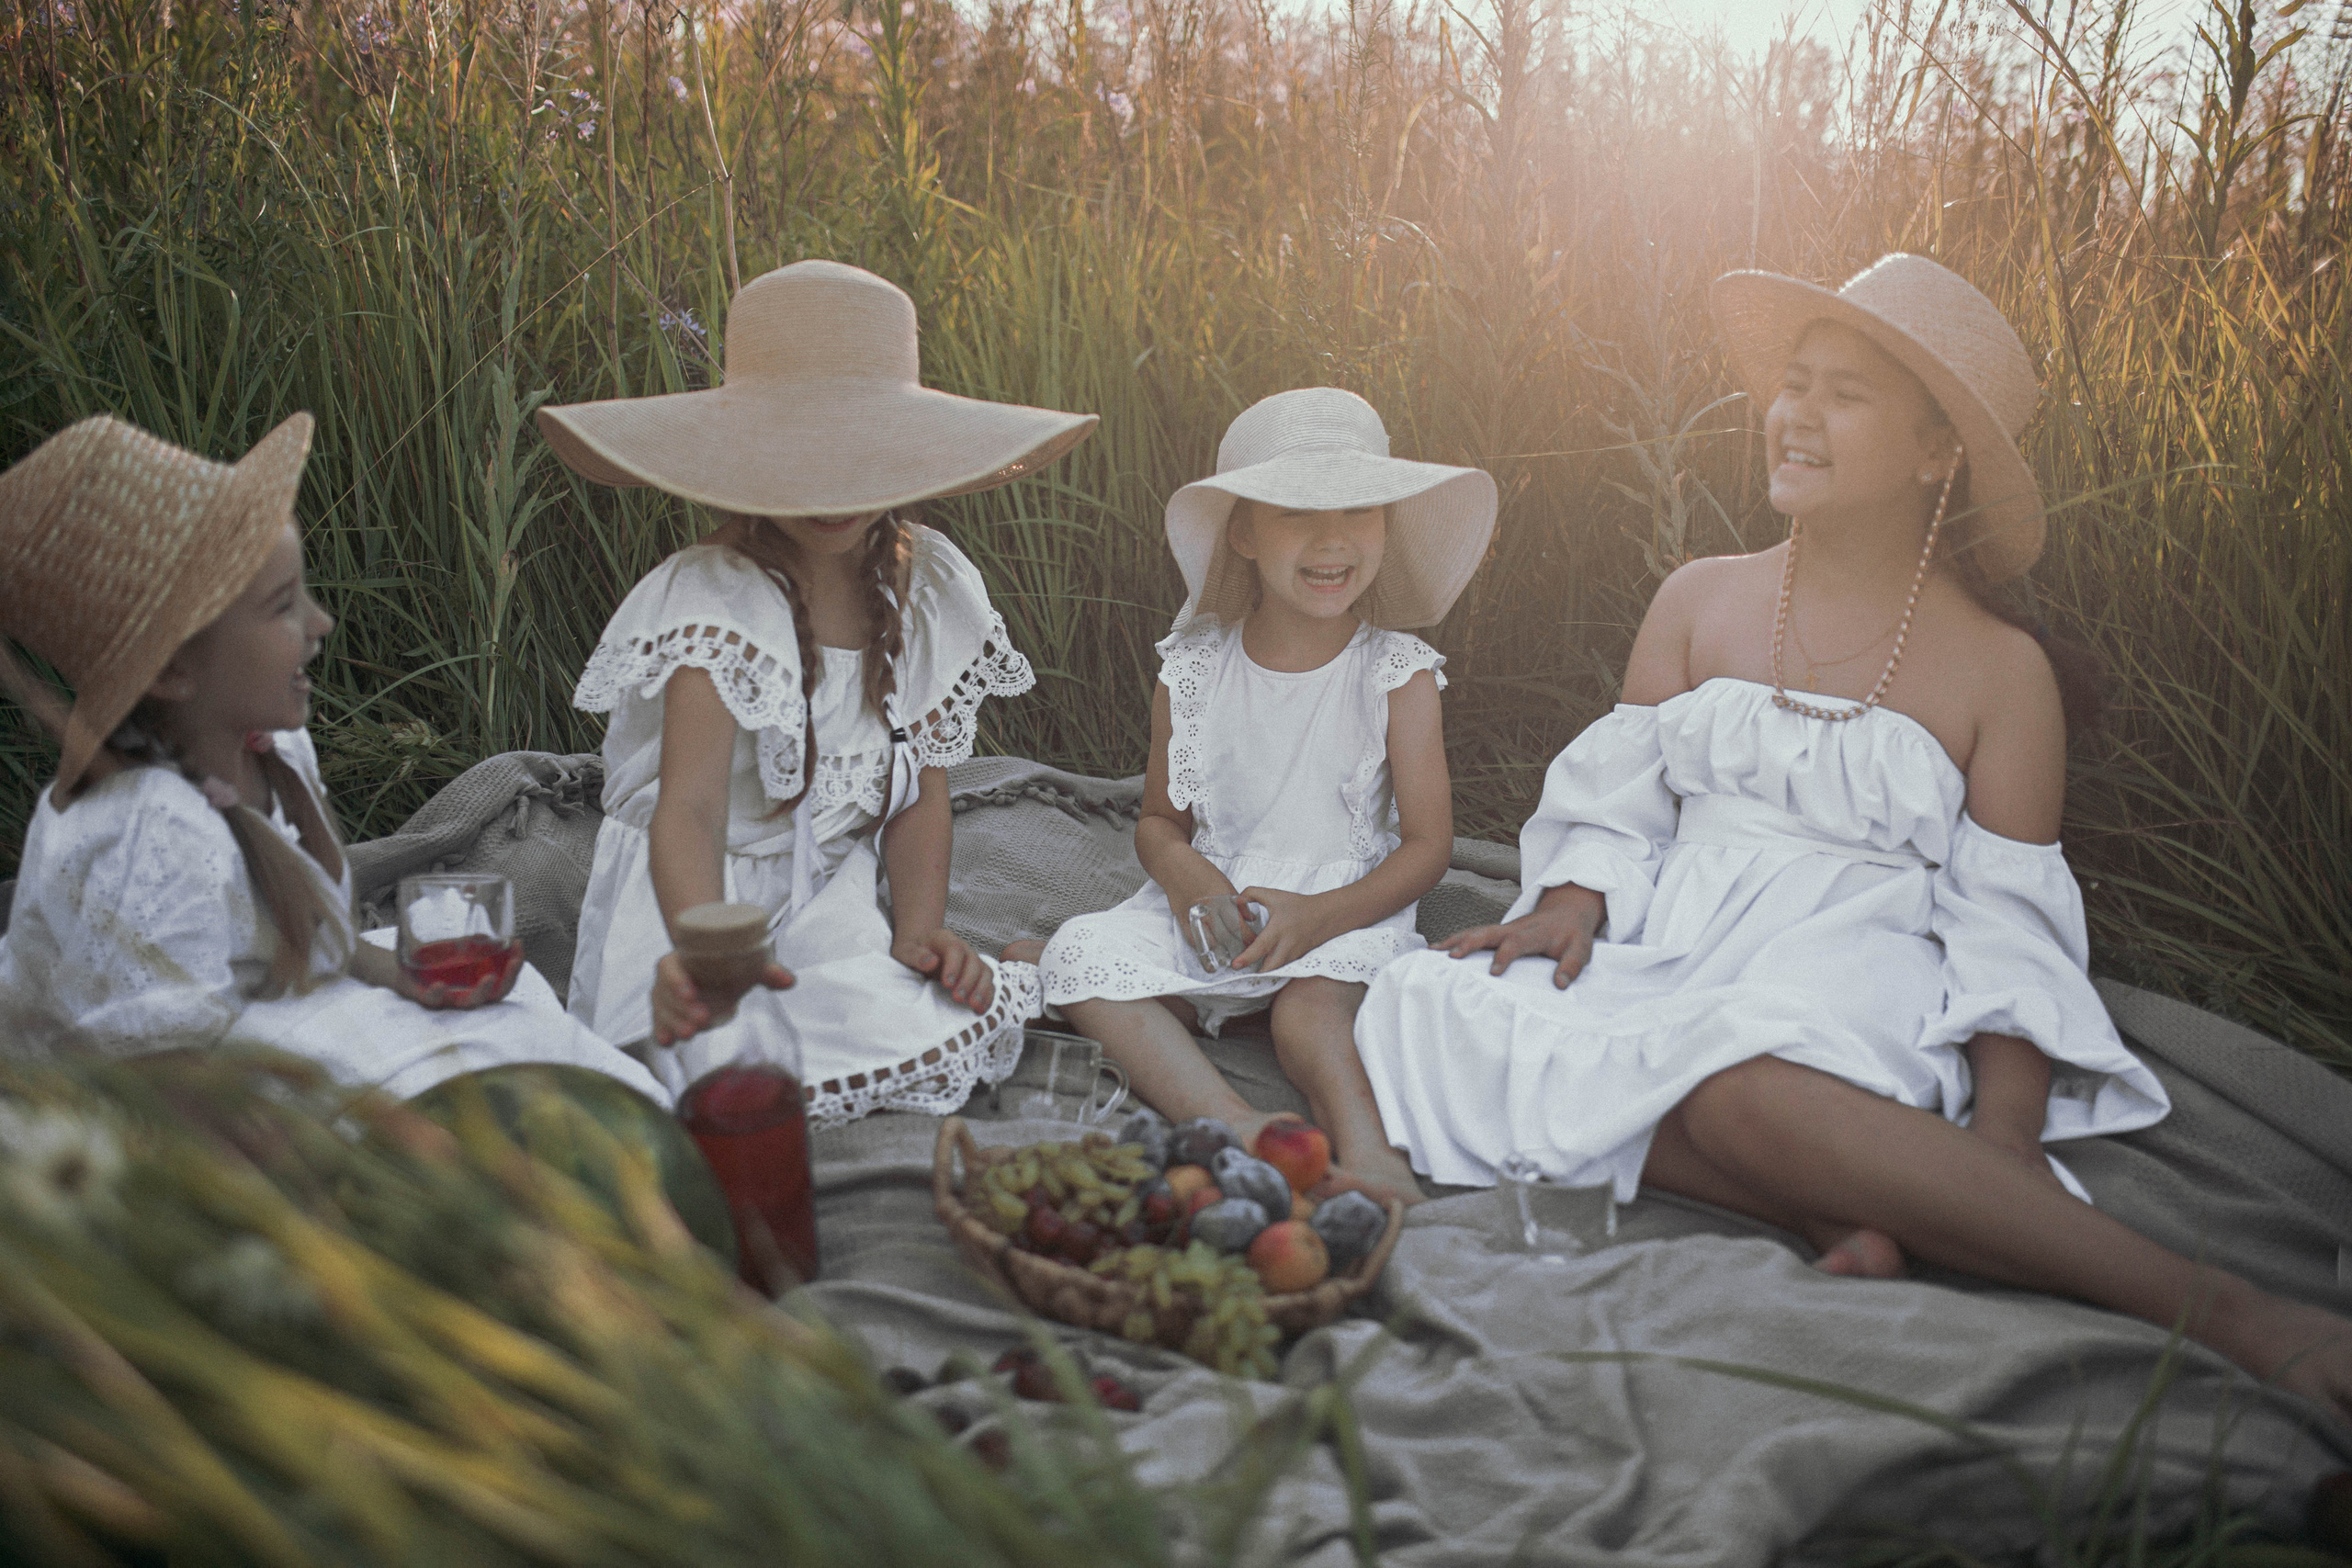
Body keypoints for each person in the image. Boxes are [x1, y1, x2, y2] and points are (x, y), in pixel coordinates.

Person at [1353, 254, 2352, 1415]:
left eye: (1844, 393)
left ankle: (2219, 1306)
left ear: (1937, 454)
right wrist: (1574, 897)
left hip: (1847, 958)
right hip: (1679, 941)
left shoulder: (1996, 667)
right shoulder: (1700, 597)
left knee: (1738, 1089)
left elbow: (2008, 917)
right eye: (1793, 382)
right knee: (1421, 1003)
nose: (1796, 414)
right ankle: (1851, 1204)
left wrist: (2007, 1136)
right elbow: (1616, 801)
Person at [545, 259, 1095, 1123]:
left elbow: (920, 789)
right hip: (703, 904)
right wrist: (700, 948)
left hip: (833, 891)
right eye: (804, 457)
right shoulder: (718, 597)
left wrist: (916, 926)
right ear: (747, 456)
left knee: (931, 1020)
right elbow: (687, 810)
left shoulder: (924, 586)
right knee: (709, 1068)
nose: (835, 490)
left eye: (861, 456)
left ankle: (948, 980)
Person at [0, 413, 669, 1107]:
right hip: (178, 1083)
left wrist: (391, 970)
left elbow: (304, 923)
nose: (320, 624)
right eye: (283, 607)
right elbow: (155, 1076)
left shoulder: (270, 746)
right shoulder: (151, 842)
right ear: (173, 672)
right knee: (458, 1093)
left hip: (263, 1007)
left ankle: (653, 1129)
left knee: (522, 1019)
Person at [1025, 388, 1493, 1199]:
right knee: (1076, 953)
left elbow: (1428, 847)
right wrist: (1191, 882)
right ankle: (1237, 1124)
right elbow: (1159, 822)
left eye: (1358, 511)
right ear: (1241, 532)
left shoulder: (1397, 672)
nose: (1333, 540)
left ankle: (1365, 1147)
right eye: (1295, 513)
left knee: (1307, 1018)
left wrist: (1319, 916)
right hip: (1219, 906)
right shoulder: (1196, 667)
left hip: (1342, 907)